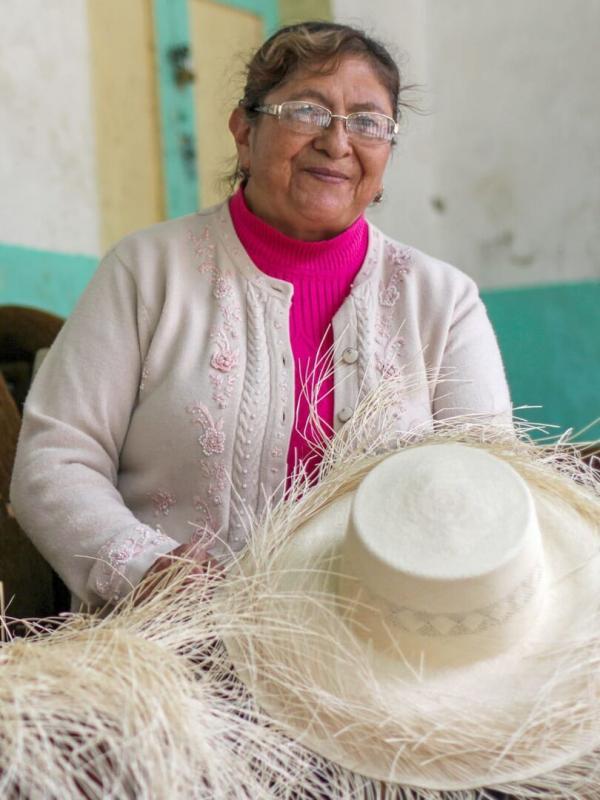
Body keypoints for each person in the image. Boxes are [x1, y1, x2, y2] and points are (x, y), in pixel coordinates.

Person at [10, 21, 511, 609]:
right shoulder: (147, 271)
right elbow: (55, 459)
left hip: (381, 660)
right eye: (308, 111)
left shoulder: (443, 301)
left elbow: (486, 490)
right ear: (244, 132)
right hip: (167, 654)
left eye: (368, 122)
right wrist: (145, 572)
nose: (337, 142)